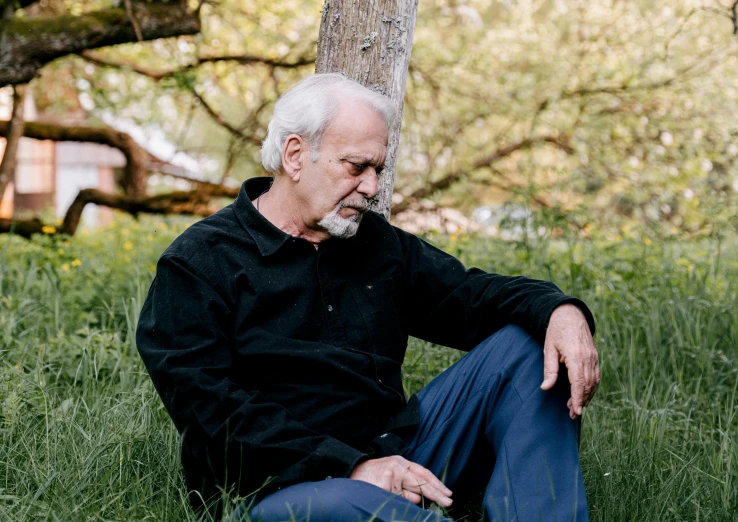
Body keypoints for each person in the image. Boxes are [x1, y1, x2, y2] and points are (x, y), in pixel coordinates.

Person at [136, 73, 600, 522]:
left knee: (526, 341)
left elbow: (473, 295)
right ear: (296, 156)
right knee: (349, 506)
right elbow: (213, 415)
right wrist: (351, 467)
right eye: (356, 167)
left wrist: (561, 310)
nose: (372, 189)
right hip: (277, 485)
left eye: (377, 169)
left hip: (396, 453)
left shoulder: (375, 243)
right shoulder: (199, 263)